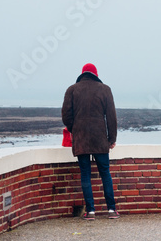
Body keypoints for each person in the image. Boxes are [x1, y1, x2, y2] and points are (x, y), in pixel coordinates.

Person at [61, 63, 120, 220]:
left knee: (85, 174)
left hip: (81, 140)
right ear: (96, 74)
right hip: (100, 139)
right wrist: (111, 139)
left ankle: (91, 211)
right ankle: (111, 210)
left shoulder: (72, 90)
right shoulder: (105, 89)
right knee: (105, 174)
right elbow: (111, 117)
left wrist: (76, 129)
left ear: (82, 74)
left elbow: (66, 116)